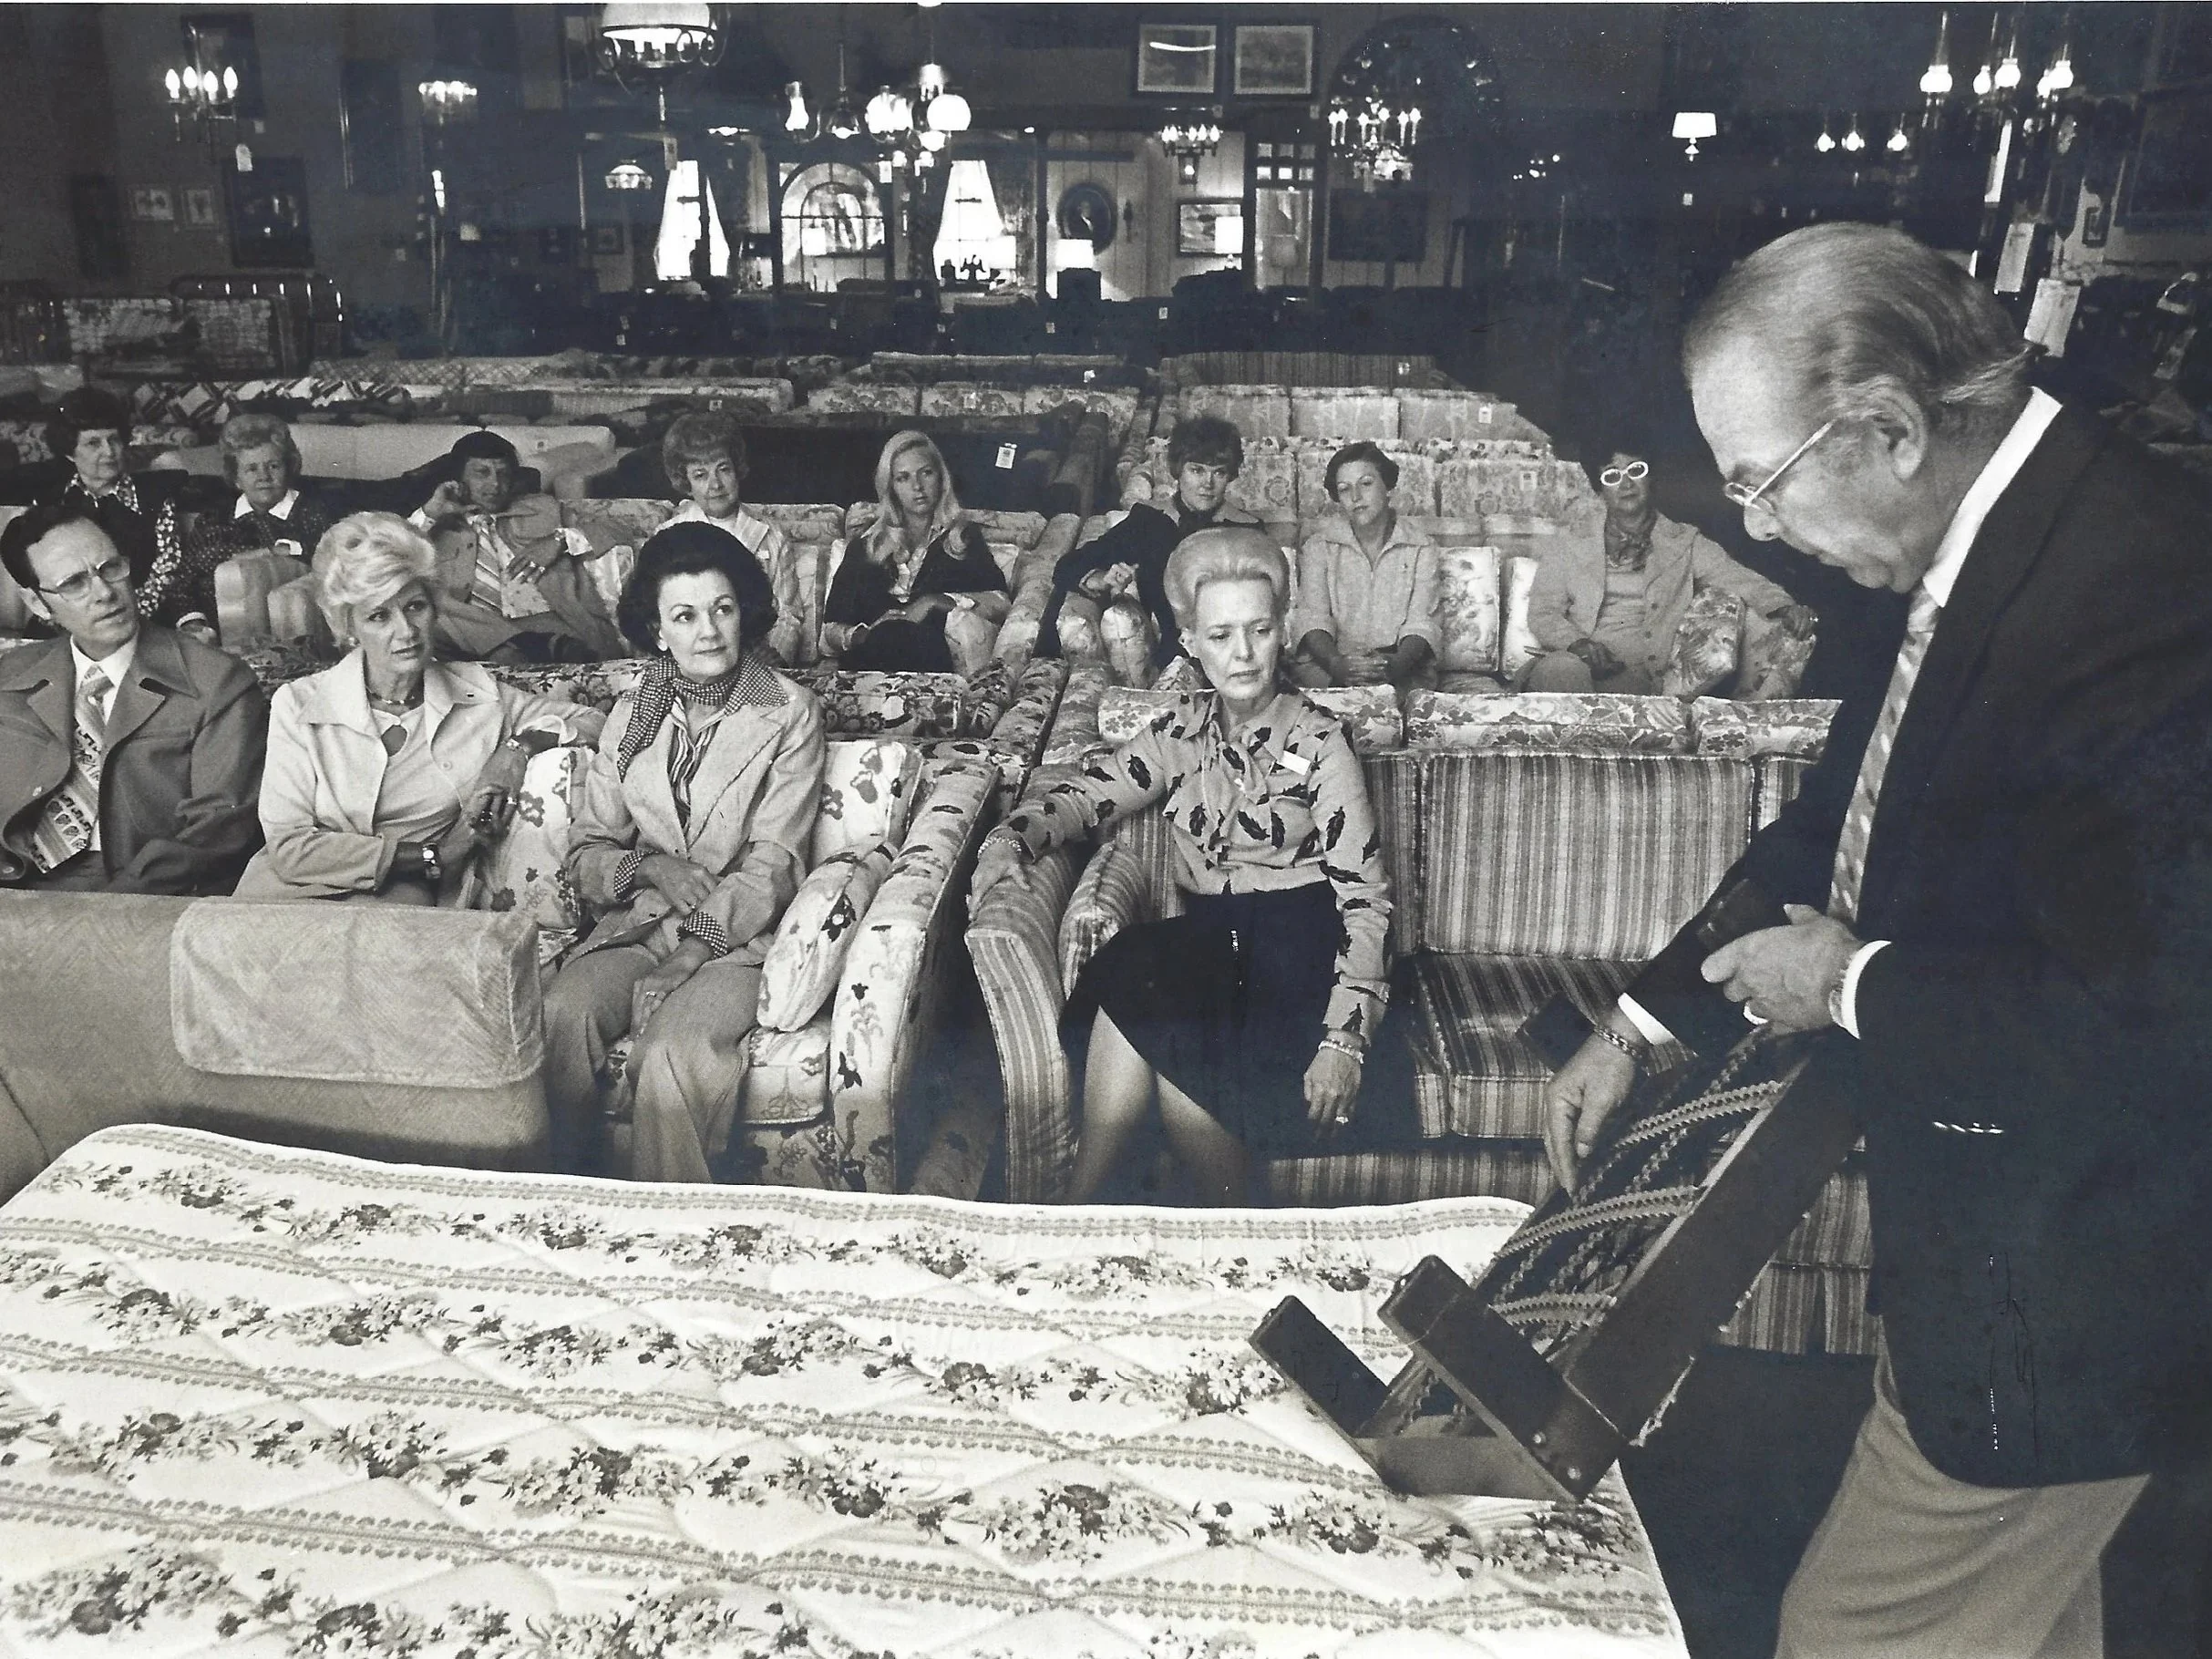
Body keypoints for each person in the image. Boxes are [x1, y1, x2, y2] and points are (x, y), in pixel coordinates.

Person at [1541, 222, 2212, 1658]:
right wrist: (1637, 1022)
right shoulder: (1999, 533)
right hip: (2001, 1262)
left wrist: (1842, 983)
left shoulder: (2143, 592)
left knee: (1844, 1634)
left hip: (2073, 1291)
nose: (1758, 530)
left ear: (1887, 428)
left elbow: (2146, 1024)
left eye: (1760, 485)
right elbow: (1845, 809)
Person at [972, 526, 1392, 1205]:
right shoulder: (1177, 732)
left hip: (1296, 956)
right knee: (1142, 966)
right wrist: (1008, 841)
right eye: (1221, 636)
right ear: (1192, 643)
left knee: (1168, 1022)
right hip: (1209, 948)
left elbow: (1365, 901)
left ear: (1281, 633)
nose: (1243, 653)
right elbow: (1085, 797)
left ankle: (1098, 1207)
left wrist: (1343, 1039)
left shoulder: (1321, 740)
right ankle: (1089, 1205)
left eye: (1257, 630)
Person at [541, 521, 826, 1183]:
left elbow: (773, 863)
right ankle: (559, 1205)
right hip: (639, 925)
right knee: (559, 1015)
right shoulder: (633, 711)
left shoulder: (788, 712)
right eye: (686, 615)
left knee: (673, 1052)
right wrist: (649, 868)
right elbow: (587, 851)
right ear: (657, 628)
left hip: (739, 940)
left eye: (723, 609)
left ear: (745, 611)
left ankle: (671, 1239)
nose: (709, 631)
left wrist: (693, 952)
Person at [232, 512, 603, 904]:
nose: (406, 631)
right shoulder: (298, 704)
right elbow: (290, 847)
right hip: (291, 897)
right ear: (348, 629)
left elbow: (593, 720)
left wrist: (517, 750)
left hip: (409, 905)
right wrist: (434, 856)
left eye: (414, 607)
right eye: (379, 616)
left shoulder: (479, 693)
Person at [0, 498, 267, 893]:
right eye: (74, 584)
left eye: (110, 569)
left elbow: (220, 827)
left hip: (144, 893)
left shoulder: (218, 681)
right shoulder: (10, 678)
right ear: (38, 603)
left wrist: (116, 906)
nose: (104, 593)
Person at [1521, 425, 1816, 695]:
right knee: (1561, 669)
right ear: (1600, 489)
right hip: (1574, 667)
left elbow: (1737, 577)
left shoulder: (1684, 542)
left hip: (1639, 677)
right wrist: (1578, 645)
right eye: (1612, 475)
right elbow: (1544, 613)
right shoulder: (1570, 543)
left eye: (1636, 470)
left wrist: (1783, 606)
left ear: (1651, 478)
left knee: (1627, 689)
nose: (1625, 483)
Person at [1037, 413, 1260, 685]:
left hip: (1237, 653)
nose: (1208, 484)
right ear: (1178, 470)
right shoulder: (1150, 521)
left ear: (1231, 476)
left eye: (1219, 472)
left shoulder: (1248, 530)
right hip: (1175, 658)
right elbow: (1067, 566)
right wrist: (1100, 579)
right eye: (1197, 470)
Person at [407, 431, 626, 663]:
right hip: (466, 631)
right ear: (459, 480)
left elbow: (616, 533)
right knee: (435, 608)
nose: (495, 484)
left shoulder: (542, 508)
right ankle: (515, 645)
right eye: (482, 473)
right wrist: (430, 514)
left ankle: (510, 648)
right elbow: (384, 556)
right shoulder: (435, 525)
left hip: (551, 626)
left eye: (503, 474)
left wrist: (558, 541)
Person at [820, 429, 1009, 674]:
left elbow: (1001, 603)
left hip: (934, 668)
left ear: (941, 478)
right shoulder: (865, 545)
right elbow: (828, 631)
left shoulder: (962, 538)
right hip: (870, 664)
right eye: (903, 478)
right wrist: (863, 635)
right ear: (891, 487)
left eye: (926, 473)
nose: (917, 486)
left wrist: (935, 601)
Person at [36, 387, 200, 635]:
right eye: (93, 443)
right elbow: (42, 575)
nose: (109, 452)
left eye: (113, 439)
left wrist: (118, 617)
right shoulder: (53, 502)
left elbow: (167, 572)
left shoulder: (155, 495)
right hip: (69, 628)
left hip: (142, 624)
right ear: (70, 453)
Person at [1290, 441, 1441, 692]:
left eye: (1366, 484)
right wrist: (1336, 664)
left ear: (1388, 486)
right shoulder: (1319, 546)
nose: (1356, 497)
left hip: (1401, 666)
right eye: (1344, 489)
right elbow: (1313, 618)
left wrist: (1394, 666)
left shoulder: (1421, 547)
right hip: (1332, 665)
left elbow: (1421, 622)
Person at [660, 411, 807, 667]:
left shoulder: (770, 535)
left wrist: (769, 662)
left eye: (723, 469)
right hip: (688, 660)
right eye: (700, 475)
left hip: (757, 659)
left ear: (738, 470)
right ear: (686, 481)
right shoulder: (667, 538)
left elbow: (789, 616)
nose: (715, 484)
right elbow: (655, 616)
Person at [177, 413, 334, 633]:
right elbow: (185, 580)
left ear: (288, 469)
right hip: (210, 633)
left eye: (273, 466)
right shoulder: (213, 518)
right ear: (235, 478)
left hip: (290, 631)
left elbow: (328, 563)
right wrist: (193, 623)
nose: (264, 477)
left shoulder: (313, 511)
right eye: (251, 469)